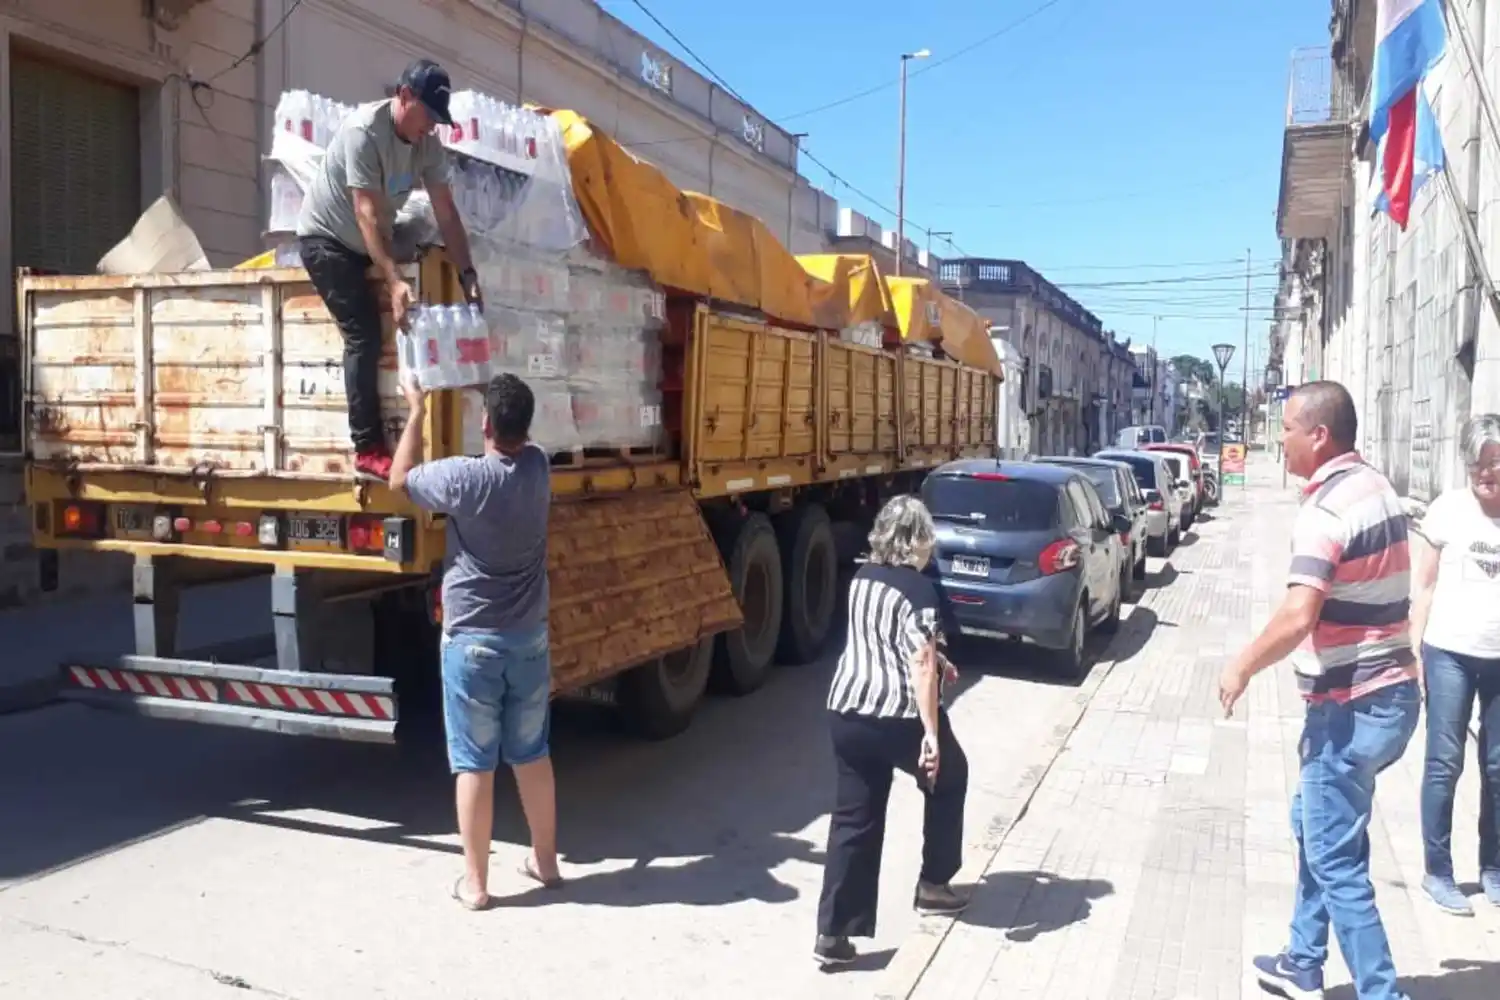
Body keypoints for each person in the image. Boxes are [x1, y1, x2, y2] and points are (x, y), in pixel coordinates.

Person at [1219, 381, 1419, 1000]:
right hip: (1390, 693)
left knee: (1337, 860)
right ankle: (1304, 959)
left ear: (1318, 435)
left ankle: (1382, 992)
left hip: (1349, 706)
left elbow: (1298, 614)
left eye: (1285, 430)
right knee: (1315, 823)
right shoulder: (1376, 485)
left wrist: (1242, 666)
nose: (1277, 441)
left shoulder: (1327, 509)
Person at [390, 372, 558, 910]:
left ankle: (478, 885)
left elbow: (400, 478)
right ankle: (546, 863)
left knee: (474, 763)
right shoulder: (538, 469)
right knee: (532, 754)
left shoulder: (464, 480)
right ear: (525, 427)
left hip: (471, 642)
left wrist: (417, 411)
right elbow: (514, 437)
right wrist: (488, 393)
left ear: (484, 424)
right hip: (528, 638)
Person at [298, 58, 481, 480]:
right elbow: (364, 212)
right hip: (328, 240)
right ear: (404, 97)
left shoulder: (426, 145)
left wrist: (467, 275)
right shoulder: (365, 131)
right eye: (428, 116)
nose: (431, 127)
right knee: (363, 332)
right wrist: (394, 281)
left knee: (426, 242)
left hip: (375, 231)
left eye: (438, 119)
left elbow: (446, 211)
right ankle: (367, 447)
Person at [814, 495, 968, 967]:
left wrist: (938, 658)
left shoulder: (862, 578)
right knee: (950, 775)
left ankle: (833, 933)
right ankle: (933, 885)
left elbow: (884, 640)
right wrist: (930, 733)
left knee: (853, 820)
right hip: (895, 717)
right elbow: (919, 666)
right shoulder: (920, 591)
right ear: (919, 541)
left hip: (847, 713)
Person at [1410, 413, 1500, 916]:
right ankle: (1437, 872)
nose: (1487, 471)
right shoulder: (1447, 511)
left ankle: (1493, 867)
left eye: (1495, 461)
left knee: (1498, 766)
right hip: (1448, 654)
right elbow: (1422, 586)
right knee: (1445, 763)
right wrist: (1412, 648)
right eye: (1478, 462)